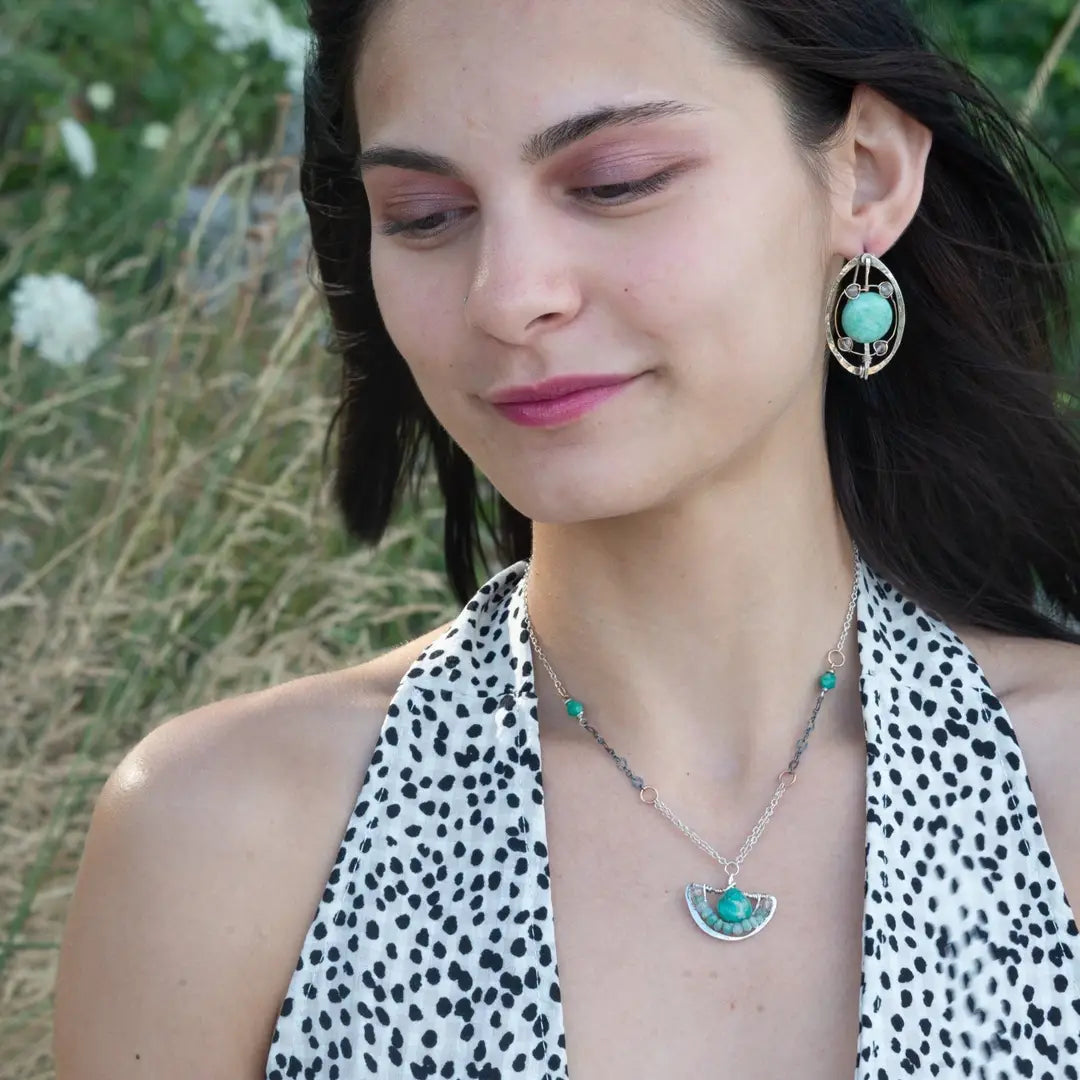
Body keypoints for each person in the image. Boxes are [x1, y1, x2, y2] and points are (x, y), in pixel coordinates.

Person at [53, 0, 1080, 1076]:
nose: (508, 297)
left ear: (864, 175)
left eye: (616, 183)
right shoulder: (226, 840)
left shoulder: (1055, 784)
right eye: (424, 215)